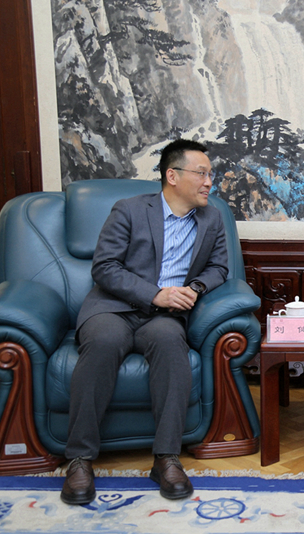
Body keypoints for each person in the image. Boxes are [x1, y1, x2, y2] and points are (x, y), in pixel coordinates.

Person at [60, 139, 228, 505]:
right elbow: (104, 267)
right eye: (201, 173)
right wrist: (155, 294)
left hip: (165, 317)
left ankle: (166, 458)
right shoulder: (130, 210)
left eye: (210, 175)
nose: (208, 182)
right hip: (114, 307)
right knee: (103, 343)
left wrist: (195, 288)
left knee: (170, 345)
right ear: (172, 176)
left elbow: (219, 268)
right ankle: (79, 459)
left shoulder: (212, 218)